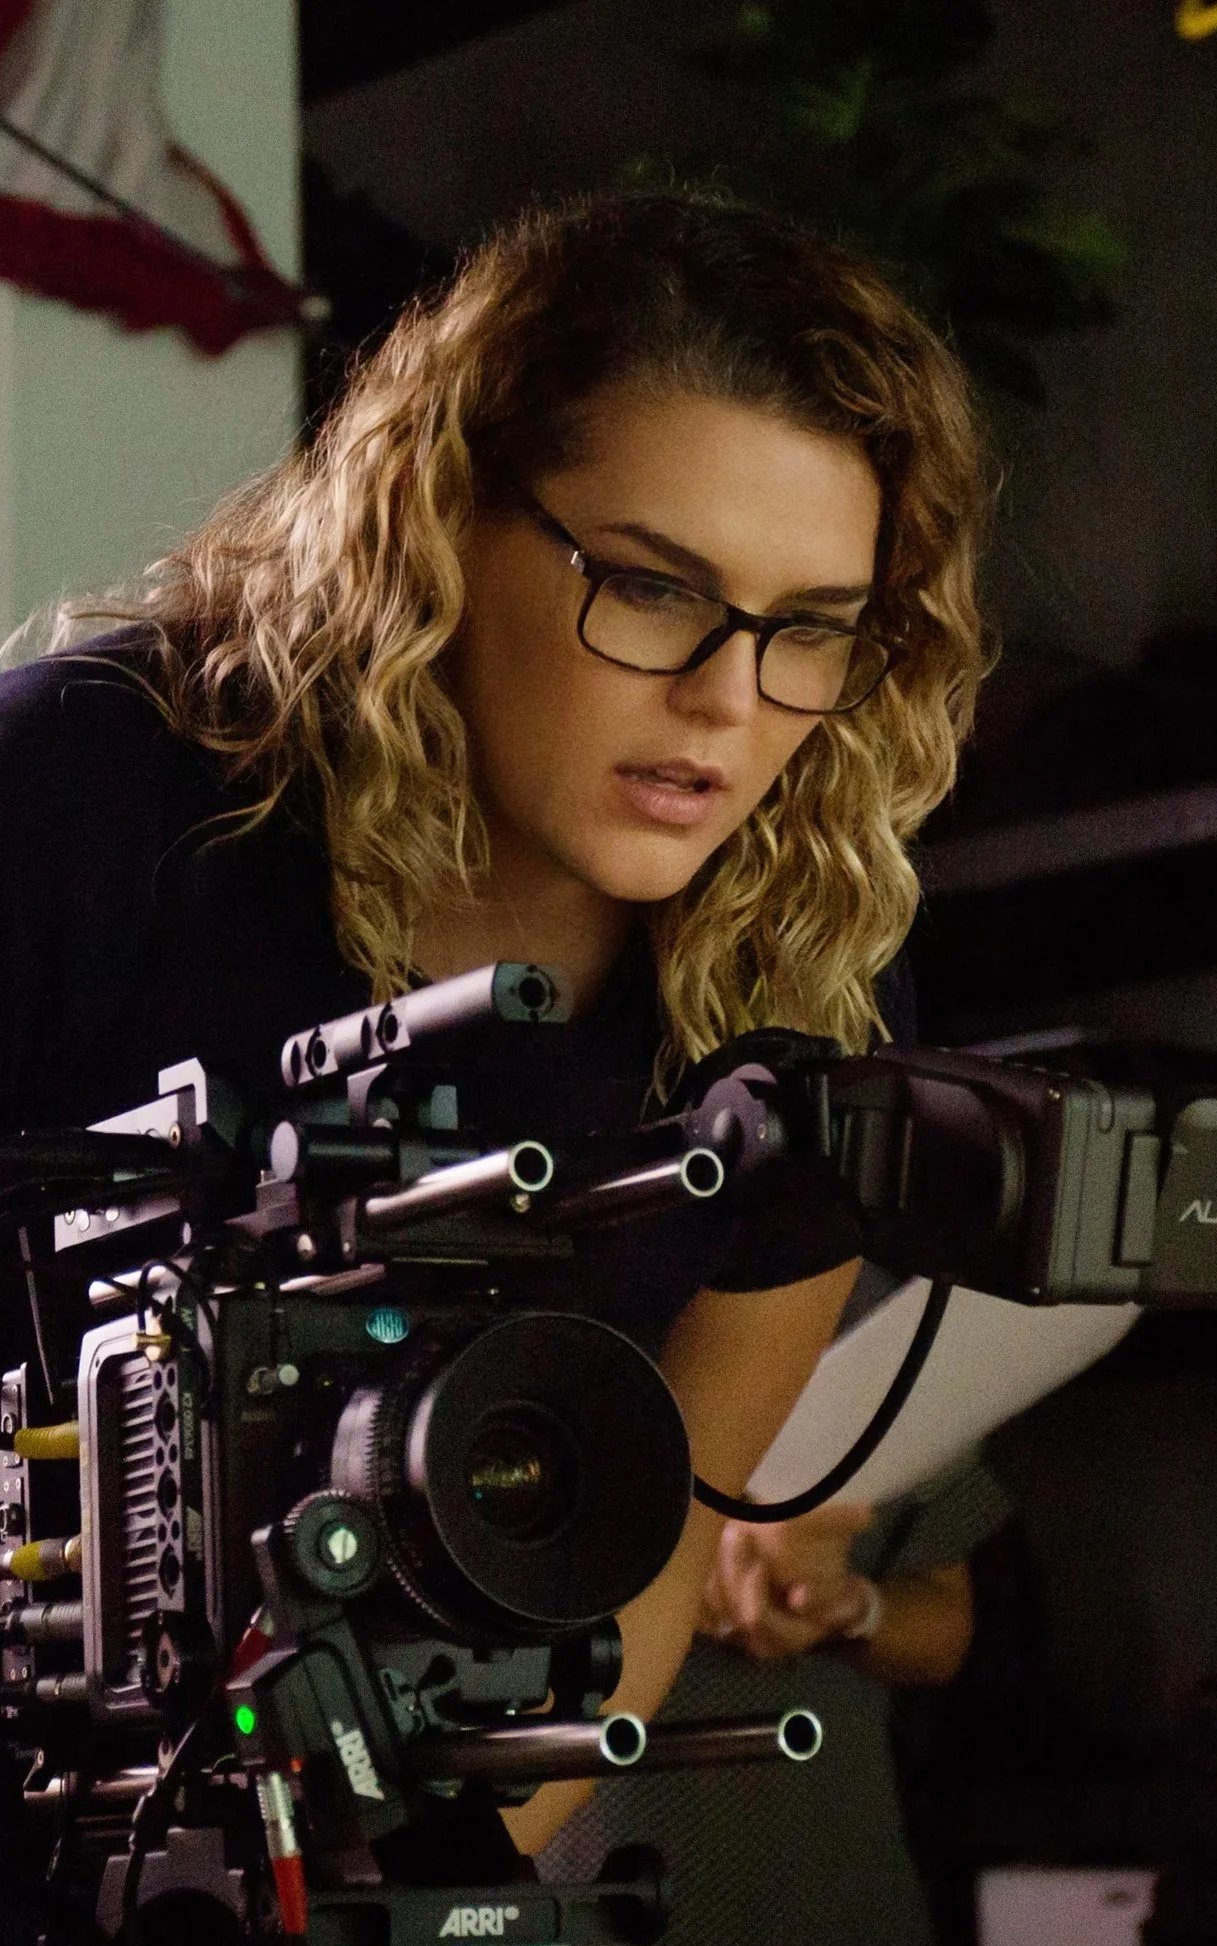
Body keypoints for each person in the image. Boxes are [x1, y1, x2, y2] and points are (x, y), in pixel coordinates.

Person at [0, 190, 987, 1852]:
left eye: (811, 629)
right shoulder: (71, 800)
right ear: (437, 517)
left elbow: (650, 1549)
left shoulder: (808, 986)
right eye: (655, 587)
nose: (727, 701)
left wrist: (392, 1938)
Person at [534, 1393, 1011, 1946]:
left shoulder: (895, 1360)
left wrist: (848, 1608)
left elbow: (945, 1632)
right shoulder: (548, 1353)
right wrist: (672, 1571)